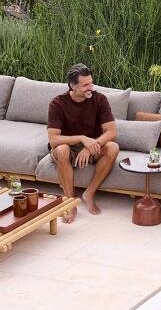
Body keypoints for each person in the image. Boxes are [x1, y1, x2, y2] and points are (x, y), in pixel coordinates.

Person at [47, 63, 120, 221]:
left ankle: (89, 193)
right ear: (73, 86)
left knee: (113, 147)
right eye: (85, 85)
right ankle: (70, 202)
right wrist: (81, 138)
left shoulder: (100, 99)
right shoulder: (57, 103)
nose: (91, 88)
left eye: (91, 83)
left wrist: (89, 147)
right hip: (67, 147)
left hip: (92, 146)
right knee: (61, 150)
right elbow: (53, 140)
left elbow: (112, 132)